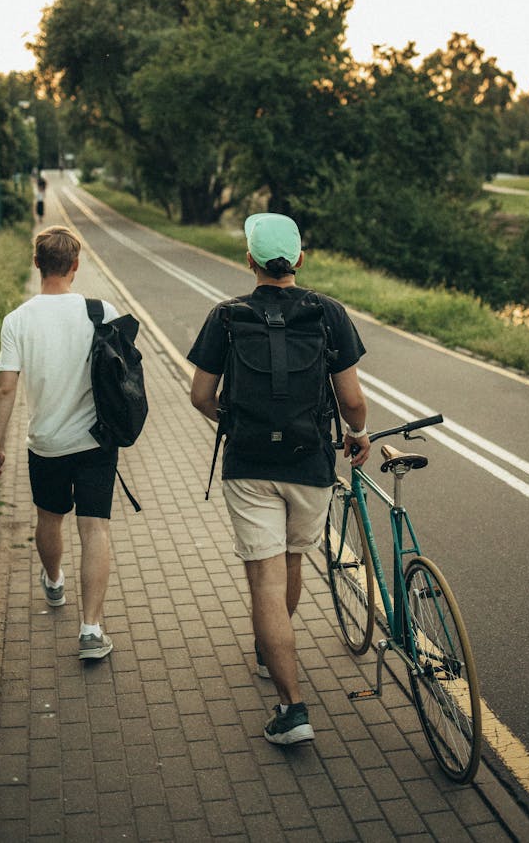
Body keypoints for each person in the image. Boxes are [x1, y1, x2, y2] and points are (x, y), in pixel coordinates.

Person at [188, 212, 371, 745]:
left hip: (249, 467)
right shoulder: (329, 313)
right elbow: (353, 402)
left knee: (264, 579)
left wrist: (236, 422)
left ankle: (292, 708)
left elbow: (200, 395)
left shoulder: (225, 316)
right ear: (299, 260)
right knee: (292, 562)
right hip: (310, 464)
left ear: (249, 260)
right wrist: (358, 433)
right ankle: (276, 652)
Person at [0, 225, 119, 660]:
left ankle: (55, 581)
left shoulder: (18, 320)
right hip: (97, 440)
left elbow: (6, 388)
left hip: (45, 442)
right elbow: (125, 378)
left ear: (36, 262)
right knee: (95, 527)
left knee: (50, 518)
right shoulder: (103, 312)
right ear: (76, 266)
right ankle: (91, 630)